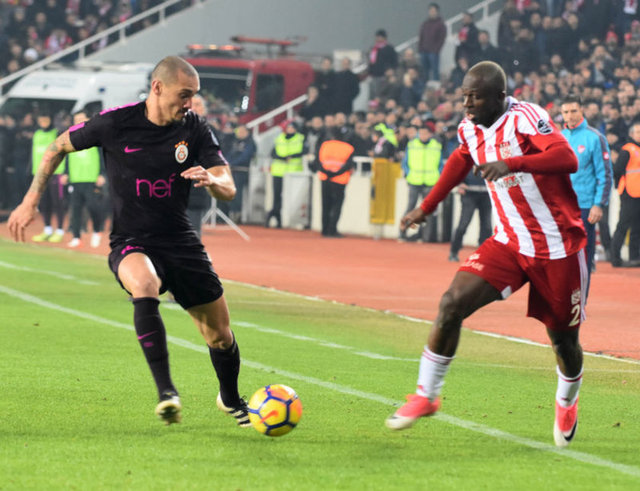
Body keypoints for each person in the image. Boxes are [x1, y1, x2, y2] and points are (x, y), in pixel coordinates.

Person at [8, 56, 250, 428]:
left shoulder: (195, 128)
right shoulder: (115, 123)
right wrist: (30, 201)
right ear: (158, 87)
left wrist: (213, 181)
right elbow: (56, 148)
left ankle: (230, 399)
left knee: (219, 335)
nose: (190, 103)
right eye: (184, 94)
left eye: (193, 95)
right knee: (144, 284)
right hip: (131, 240)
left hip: (181, 242)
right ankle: (167, 393)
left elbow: (228, 187)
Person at [385, 61, 587, 450]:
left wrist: (511, 162)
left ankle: (567, 399)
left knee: (563, 340)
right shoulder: (469, 127)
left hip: (557, 246)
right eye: (464, 97)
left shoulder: (526, 117)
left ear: (498, 97)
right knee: (451, 303)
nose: (466, 104)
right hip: (509, 241)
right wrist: (427, 206)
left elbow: (567, 158)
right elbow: (461, 159)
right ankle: (426, 395)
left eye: (474, 97)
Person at [560, 94, 613, 291]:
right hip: (561, 206)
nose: (570, 116)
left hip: (584, 207)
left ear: (581, 110)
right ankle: (563, 298)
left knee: (582, 257)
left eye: (574, 111)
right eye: (566, 112)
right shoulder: (559, 137)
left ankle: (580, 300)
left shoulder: (595, 138)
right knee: (561, 256)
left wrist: (598, 204)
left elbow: (605, 174)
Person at [61, 110, 107, 248]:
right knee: (75, 210)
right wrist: (65, 173)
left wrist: (102, 174)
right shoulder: (71, 138)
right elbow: (67, 157)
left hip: (91, 179)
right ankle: (76, 237)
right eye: (76, 120)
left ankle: (97, 231)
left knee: (93, 207)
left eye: (81, 119)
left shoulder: (96, 138)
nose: (78, 122)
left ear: (88, 120)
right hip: (75, 179)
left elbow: (104, 157)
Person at [399, 123, 442, 241]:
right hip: (414, 181)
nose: (423, 136)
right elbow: (405, 163)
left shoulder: (436, 146)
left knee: (428, 210)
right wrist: (408, 174)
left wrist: (437, 175)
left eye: (425, 133)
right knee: (410, 207)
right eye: (421, 133)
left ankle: (426, 237)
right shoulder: (412, 145)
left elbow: (440, 164)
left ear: (430, 134)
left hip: (430, 182)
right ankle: (402, 233)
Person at [30, 112, 66, 243]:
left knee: (57, 202)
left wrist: (66, 171)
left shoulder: (57, 133)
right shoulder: (37, 133)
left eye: (46, 119)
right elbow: (33, 153)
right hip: (39, 173)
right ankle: (47, 229)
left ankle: (60, 230)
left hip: (56, 172)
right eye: (41, 119)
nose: (43, 122)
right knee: (44, 203)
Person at [610, 122, 640, 267]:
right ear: (632, 134)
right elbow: (617, 170)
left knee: (637, 226)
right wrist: (619, 187)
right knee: (623, 224)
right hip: (629, 192)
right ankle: (615, 257)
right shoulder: (627, 149)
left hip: (637, 193)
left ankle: (635, 257)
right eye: (638, 132)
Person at [265, 121, 305, 228]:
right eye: (289, 127)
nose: (290, 129)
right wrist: (282, 158)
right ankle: (276, 216)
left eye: (292, 128)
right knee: (277, 196)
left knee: (289, 197)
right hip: (278, 171)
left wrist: (291, 156)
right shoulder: (279, 138)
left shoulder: (300, 138)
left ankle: (273, 214)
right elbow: (273, 153)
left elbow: (303, 151)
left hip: (293, 173)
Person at [448, 166, 492, 262]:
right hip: (469, 193)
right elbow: (458, 169)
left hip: (486, 194)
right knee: (463, 224)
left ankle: (484, 254)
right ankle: (454, 251)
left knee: (487, 226)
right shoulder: (468, 157)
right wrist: (460, 183)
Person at [314, 136, 355, 237]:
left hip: (325, 179)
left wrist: (327, 173)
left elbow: (318, 161)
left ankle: (324, 229)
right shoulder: (348, 148)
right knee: (337, 206)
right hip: (339, 180)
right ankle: (332, 229)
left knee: (325, 205)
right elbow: (348, 165)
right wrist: (336, 173)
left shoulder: (325, 145)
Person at [186, 94, 212, 236]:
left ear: (204, 109)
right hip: (172, 188)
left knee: (192, 232)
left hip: (196, 188)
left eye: (197, 105)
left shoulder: (209, 132)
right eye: (191, 105)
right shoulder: (173, 129)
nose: (194, 108)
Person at [225, 124, 256, 223]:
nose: (239, 133)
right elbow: (230, 154)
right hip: (232, 170)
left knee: (238, 193)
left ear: (247, 132)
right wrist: (227, 163)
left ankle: (237, 214)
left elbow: (245, 157)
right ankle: (231, 212)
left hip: (242, 170)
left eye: (241, 131)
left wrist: (232, 163)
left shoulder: (250, 143)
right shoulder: (235, 142)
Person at [417, 3, 447, 82]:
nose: (432, 12)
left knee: (435, 71)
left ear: (437, 12)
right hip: (424, 51)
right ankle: (425, 85)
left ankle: (436, 86)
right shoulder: (425, 24)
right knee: (424, 71)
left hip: (433, 52)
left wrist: (436, 50)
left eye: (434, 11)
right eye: (430, 11)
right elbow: (421, 36)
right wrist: (420, 49)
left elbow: (442, 39)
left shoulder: (441, 24)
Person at [368, 29, 398, 99]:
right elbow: (371, 62)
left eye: (379, 37)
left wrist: (391, 70)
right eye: (377, 37)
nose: (377, 39)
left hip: (384, 76)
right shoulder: (374, 49)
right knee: (374, 94)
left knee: (382, 94)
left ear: (384, 38)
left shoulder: (389, 48)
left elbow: (395, 62)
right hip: (374, 75)